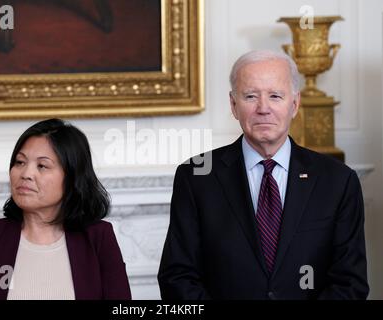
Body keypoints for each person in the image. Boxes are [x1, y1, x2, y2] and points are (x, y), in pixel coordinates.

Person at [158, 50, 369, 299]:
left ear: (295, 103)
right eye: (250, 96)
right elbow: (177, 276)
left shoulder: (338, 181)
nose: (263, 108)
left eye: (275, 96)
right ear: (233, 105)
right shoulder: (196, 176)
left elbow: (350, 282)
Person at [0, 118, 131, 300]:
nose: (26, 174)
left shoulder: (98, 237)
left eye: (42, 166)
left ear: (72, 177)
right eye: (20, 162)